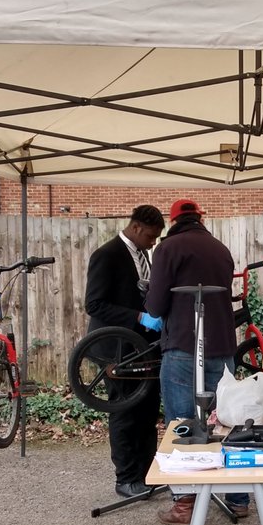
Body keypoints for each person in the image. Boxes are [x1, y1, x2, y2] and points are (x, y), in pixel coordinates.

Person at [145, 198, 248, 525]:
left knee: (182, 423)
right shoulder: (220, 248)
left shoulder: (168, 249)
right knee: (226, 421)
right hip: (224, 345)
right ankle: (239, 497)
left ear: (173, 221)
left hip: (185, 347)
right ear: (199, 219)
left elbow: (157, 305)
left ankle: (185, 504)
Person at [84, 204, 165, 498]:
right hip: (113, 350)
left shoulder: (142, 255)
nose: (154, 242)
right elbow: (94, 304)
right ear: (136, 228)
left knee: (147, 411)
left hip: (141, 349)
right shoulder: (106, 256)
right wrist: (138, 317)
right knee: (124, 411)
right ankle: (126, 478)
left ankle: (147, 474)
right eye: (151, 237)